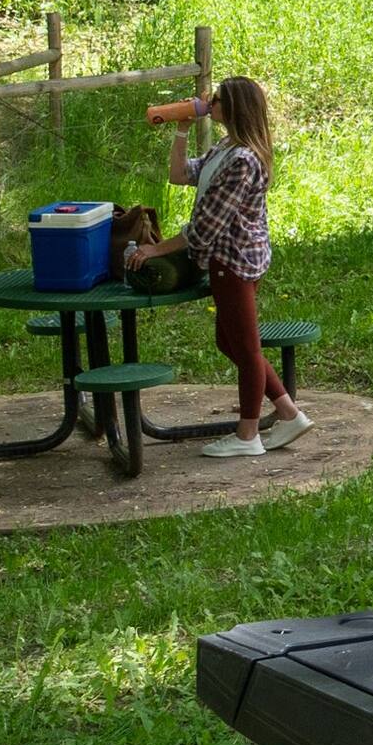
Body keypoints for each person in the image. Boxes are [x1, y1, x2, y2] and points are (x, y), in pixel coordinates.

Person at [134, 76, 308, 458]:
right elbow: (180, 175)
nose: (209, 103)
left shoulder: (244, 160)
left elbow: (206, 227)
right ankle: (288, 412)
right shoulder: (226, 148)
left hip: (235, 260)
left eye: (217, 100)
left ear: (233, 108)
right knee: (228, 342)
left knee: (246, 351)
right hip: (229, 259)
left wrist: (154, 250)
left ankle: (247, 436)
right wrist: (181, 129)